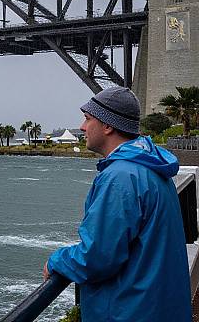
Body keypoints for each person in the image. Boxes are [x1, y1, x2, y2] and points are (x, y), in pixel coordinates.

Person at [44, 86, 191, 321]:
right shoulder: (151, 168)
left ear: (107, 125)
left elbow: (98, 257)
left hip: (130, 312)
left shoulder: (120, 178)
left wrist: (57, 260)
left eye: (87, 118)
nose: (82, 128)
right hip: (158, 306)